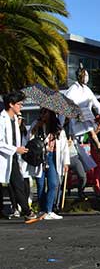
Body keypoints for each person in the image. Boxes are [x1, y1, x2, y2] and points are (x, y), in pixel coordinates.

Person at [0, 92, 37, 221]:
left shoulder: (15, 119)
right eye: (19, 104)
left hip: (13, 157)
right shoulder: (2, 119)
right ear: (11, 104)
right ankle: (27, 212)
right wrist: (16, 149)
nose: (21, 106)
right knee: (16, 184)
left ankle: (27, 212)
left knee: (18, 184)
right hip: (4, 156)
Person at [29, 108, 70, 220]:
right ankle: (42, 210)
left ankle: (49, 210)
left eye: (45, 112)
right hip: (39, 158)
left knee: (53, 183)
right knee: (41, 185)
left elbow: (64, 147)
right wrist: (36, 127)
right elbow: (29, 139)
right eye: (41, 113)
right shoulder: (36, 124)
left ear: (51, 114)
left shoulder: (58, 128)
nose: (42, 115)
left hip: (52, 157)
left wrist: (66, 162)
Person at [64, 64, 100, 165]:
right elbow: (65, 104)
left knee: (93, 137)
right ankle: (70, 156)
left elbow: (96, 103)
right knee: (75, 137)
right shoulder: (72, 89)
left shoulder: (87, 89)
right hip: (75, 116)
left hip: (85, 115)